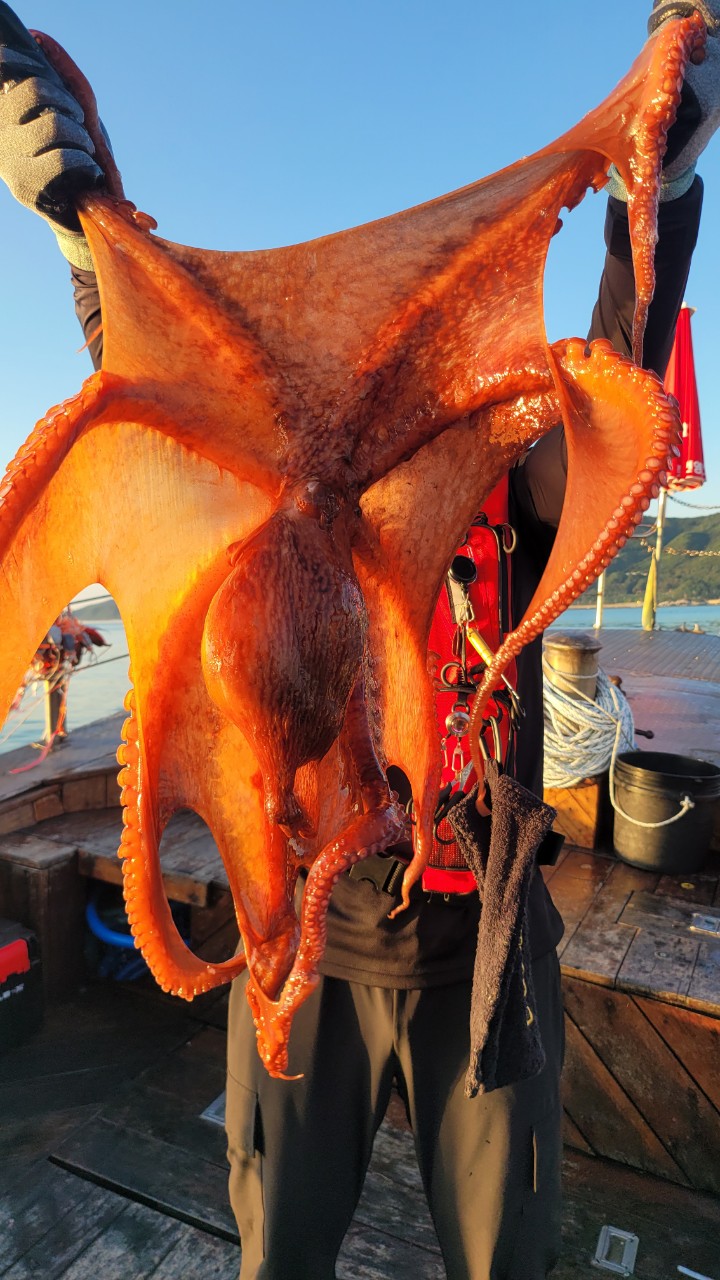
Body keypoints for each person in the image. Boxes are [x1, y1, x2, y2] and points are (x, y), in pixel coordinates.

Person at [0, 3, 717, 1276]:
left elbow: (612, 390)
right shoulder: (264, 502)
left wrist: (650, 204)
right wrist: (80, 230)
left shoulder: (501, 481)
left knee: (506, 1257)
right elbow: (165, 396)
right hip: (304, 947)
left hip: (486, 952)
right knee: (277, 1250)